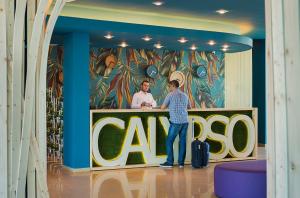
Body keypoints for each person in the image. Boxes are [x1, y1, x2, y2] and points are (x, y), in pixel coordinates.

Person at [160, 80, 191, 168]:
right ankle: (181, 163)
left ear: (173, 86)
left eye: (169, 86)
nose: (169, 88)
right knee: (182, 142)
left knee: (169, 141)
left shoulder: (170, 95)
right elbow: (190, 107)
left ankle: (170, 162)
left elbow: (162, 108)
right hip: (185, 121)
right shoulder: (185, 95)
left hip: (175, 122)